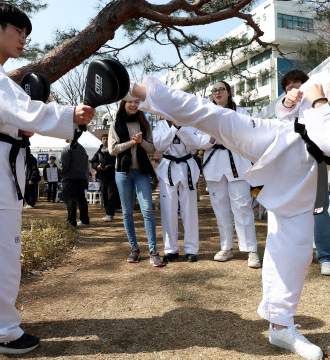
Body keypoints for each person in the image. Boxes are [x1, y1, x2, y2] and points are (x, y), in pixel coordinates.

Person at [130, 25, 330, 360]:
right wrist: (289, 101)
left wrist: (315, 100)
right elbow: (287, 114)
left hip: (307, 171)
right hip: (279, 137)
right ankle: (132, 86)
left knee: (295, 250)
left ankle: (280, 325)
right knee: (214, 116)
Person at [0, 2, 95, 355]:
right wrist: (68, 115)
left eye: (27, 35)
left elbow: (15, 117)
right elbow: (17, 109)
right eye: (19, 32)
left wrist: (29, 127)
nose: (23, 41)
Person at [197, 81, 261, 269]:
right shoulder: (206, 114)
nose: (218, 93)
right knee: (220, 208)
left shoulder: (241, 112)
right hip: (215, 165)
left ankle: (251, 249)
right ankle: (226, 247)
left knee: (242, 207)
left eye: (221, 89)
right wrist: (211, 137)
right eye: (214, 90)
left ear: (229, 92)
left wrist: (227, 134)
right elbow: (198, 139)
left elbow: (249, 134)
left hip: (237, 164)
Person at [281, 69, 330, 276]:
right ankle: (294, 255)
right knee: (289, 210)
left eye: (298, 86)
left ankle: (327, 256)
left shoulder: (319, 104)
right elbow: (281, 117)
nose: (294, 91)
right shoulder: (285, 107)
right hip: (290, 163)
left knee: (319, 209)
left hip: (317, 161)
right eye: (289, 88)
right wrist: (288, 102)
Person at [109, 95, 165, 267]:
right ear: (123, 104)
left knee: (147, 209)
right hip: (123, 173)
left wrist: (141, 142)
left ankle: (153, 251)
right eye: (130, 102)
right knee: (127, 212)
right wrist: (130, 143)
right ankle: (134, 249)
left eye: (136, 102)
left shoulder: (144, 124)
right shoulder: (115, 124)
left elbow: (152, 148)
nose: (133, 104)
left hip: (141, 172)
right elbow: (112, 150)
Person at [153, 118, 201, 263]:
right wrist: (174, 129)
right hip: (168, 168)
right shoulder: (161, 125)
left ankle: (191, 249)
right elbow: (160, 146)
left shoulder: (190, 123)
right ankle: (170, 249)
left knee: (190, 211)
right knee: (168, 211)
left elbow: (194, 146)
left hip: (187, 168)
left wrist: (181, 128)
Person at [90, 133, 120, 222]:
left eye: (107, 139)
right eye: (103, 139)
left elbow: (116, 162)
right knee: (105, 195)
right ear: (101, 140)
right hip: (102, 177)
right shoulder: (99, 152)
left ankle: (110, 213)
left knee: (111, 194)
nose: (105, 140)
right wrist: (97, 166)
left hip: (111, 176)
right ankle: (107, 213)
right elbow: (93, 162)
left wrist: (109, 167)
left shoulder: (112, 151)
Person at [60, 140, 90, 227]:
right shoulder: (82, 149)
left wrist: (61, 172)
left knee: (70, 199)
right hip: (81, 178)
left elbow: (64, 165)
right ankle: (84, 220)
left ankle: (71, 221)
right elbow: (85, 165)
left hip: (69, 178)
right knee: (81, 199)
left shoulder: (67, 148)